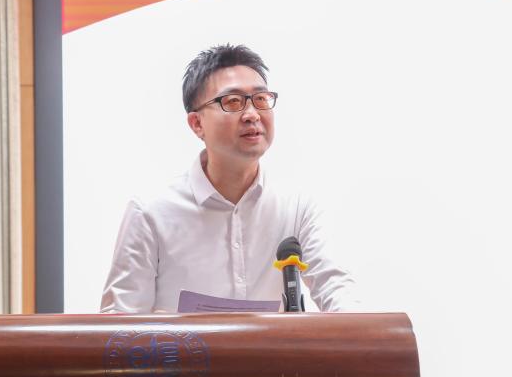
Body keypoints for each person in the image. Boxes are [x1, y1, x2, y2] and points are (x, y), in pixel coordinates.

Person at [100, 44, 358, 313]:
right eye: (233, 101)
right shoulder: (150, 212)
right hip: (177, 345)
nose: (252, 114)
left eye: (261, 99)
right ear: (197, 124)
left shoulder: (297, 207)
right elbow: (119, 322)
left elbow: (336, 287)